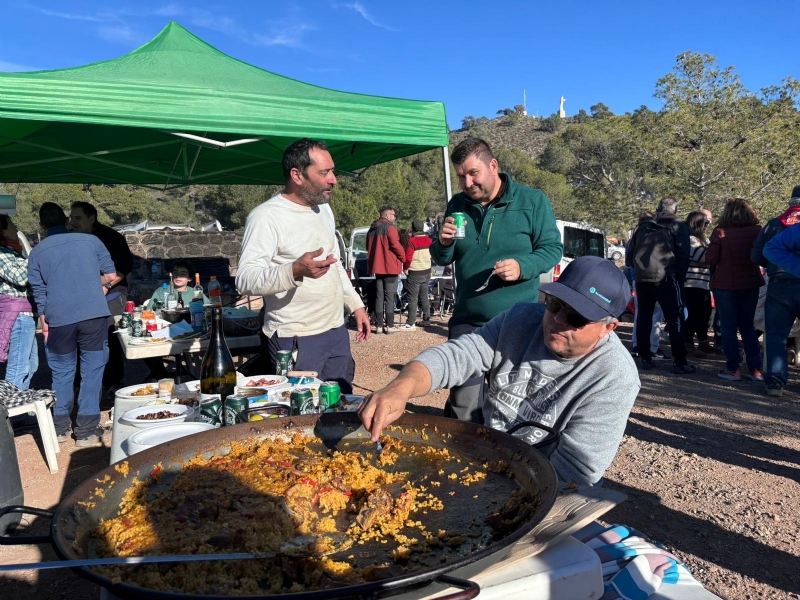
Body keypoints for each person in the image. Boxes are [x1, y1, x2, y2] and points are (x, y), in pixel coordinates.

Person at [358, 256, 640, 487]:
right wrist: (402, 386)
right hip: (491, 459)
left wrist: (505, 496)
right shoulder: (520, 318)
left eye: (576, 317)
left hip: (545, 485)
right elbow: (457, 356)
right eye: (555, 305)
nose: (557, 320)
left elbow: (576, 471)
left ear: (608, 328)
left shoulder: (614, 376)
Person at [430, 138, 562, 423]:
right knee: (464, 404)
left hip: (517, 323)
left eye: (473, 173)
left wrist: (522, 266)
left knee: (511, 405)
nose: (467, 182)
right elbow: (443, 258)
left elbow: (553, 249)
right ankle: (465, 457)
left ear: (493, 165)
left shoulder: (532, 201)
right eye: (461, 176)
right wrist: (442, 242)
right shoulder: (458, 203)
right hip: (468, 321)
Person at [236, 138, 369, 393]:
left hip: (335, 332)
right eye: (324, 172)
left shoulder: (323, 210)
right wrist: (294, 270)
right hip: (295, 337)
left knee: (338, 407)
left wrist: (355, 305)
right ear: (297, 175)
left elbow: (334, 264)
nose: (334, 179)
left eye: (333, 171)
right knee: (300, 415)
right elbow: (245, 279)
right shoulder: (266, 216)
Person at [27, 202, 116, 446]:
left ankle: (59, 428)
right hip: (93, 315)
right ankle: (86, 432)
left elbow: (38, 290)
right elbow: (110, 275)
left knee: (62, 373)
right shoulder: (92, 241)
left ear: (42, 225)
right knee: (92, 371)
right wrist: (92, 283)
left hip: (58, 319)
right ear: (66, 221)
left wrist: (44, 318)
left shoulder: (37, 252)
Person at [70, 201, 133, 396]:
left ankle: (113, 383)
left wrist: (105, 285)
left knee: (110, 337)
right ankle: (83, 385)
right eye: (71, 218)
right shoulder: (70, 238)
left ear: (92, 218)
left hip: (111, 294)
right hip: (81, 297)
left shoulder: (111, 238)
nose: (73, 222)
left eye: (78, 218)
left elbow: (125, 267)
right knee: (81, 339)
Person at [626, 197, 695, 374]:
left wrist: (637, 270)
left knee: (644, 317)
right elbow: (684, 254)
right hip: (667, 277)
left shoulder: (643, 227)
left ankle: (645, 357)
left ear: (658, 208)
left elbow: (630, 254)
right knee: (675, 318)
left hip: (643, 278)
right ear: (675, 210)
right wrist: (679, 277)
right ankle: (679, 361)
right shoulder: (679, 226)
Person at [705, 198, 764, 382]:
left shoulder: (720, 232)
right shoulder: (757, 231)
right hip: (750, 283)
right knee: (747, 326)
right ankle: (756, 369)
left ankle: (733, 369)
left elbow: (711, 259)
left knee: (729, 327)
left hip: (725, 285)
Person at [755, 188, 800, 397]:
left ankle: (775, 382)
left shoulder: (775, 224)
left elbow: (760, 253)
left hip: (779, 283)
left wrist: (783, 267)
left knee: (776, 335)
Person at [144, 259, 210, 380]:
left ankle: (205, 377)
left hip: (191, 332)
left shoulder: (196, 292)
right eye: (175, 272)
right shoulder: (162, 291)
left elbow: (208, 309)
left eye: (183, 273)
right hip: (165, 332)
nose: (178, 276)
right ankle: (163, 377)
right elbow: (149, 312)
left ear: (189, 278)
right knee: (146, 349)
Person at [0, 216, 38, 390]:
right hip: (18, 316)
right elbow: (20, 277)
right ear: (3, 231)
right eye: (12, 226)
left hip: (26, 314)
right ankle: (8, 414)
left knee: (31, 365)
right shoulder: (1, 253)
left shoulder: (13, 251)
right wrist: (32, 255)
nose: (16, 231)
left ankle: (18, 413)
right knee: (18, 369)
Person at [627, 211, 666, 361]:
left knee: (641, 314)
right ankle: (652, 346)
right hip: (654, 277)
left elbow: (628, 260)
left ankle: (637, 344)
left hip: (637, 278)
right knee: (656, 315)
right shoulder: (654, 234)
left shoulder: (634, 237)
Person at [366, 206, 405, 334]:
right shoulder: (390, 228)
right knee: (389, 296)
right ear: (388, 216)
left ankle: (378, 325)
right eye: (394, 215)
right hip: (390, 267)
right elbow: (396, 245)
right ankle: (390, 325)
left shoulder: (372, 228)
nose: (394, 217)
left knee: (379, 296)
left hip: (377, 267)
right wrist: (403, 257)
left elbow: (368, 246)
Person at [683, 211, 714, 352]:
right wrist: (715, 248)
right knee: (696, 314)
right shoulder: (690, 239)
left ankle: (701, 341)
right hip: (691, 283)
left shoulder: (703, 240)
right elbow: (702, 257)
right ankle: (689, 342)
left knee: (704, 313)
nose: (708, 225)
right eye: (705, 223)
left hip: (703, 282)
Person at [402, 220, 433, 329]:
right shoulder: (429, 240)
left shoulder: (412, 242)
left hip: (415, 272)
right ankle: (427, 320)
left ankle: (411, 322)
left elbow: (408, 258)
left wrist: (405, 268)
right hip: (427, 271)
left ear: (413, 228)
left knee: (412, 298)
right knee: (424, 297)